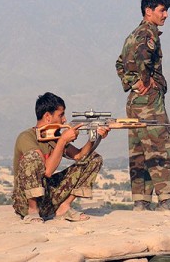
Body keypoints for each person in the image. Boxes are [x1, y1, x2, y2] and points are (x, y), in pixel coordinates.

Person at [115, 0, 170, 211]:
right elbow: (143, 59)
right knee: (161, 147)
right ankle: (166, 200)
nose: (166, 15)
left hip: (135, 102)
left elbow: (119, 64)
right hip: (148, 102)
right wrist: (144, 82)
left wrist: (131, 82)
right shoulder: (148, 33)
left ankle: (141, 201)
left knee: (139, 150)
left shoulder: (133, 34)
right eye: (162, 10)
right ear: (149, 11)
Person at [12, 92, 109, 223]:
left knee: (93, 158)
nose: (64, 119)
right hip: (24, 201)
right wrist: (62, 140)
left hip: (48, 199)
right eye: (61, 115)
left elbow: (80, 156)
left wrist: (96, 137)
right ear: (47, 116)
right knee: (33, 157)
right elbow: (47, 171)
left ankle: (64, 208)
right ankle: (33, 211)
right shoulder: (26, 137)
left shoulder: (55, 137)